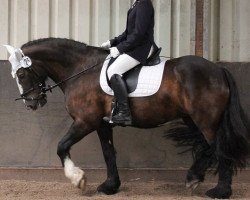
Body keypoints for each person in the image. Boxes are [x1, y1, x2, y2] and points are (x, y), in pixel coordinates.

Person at [101, 0, 159, 125]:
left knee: (113, 70)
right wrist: (113, 42)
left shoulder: (144, 4)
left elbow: (138, 34)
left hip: (142, 48)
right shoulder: (137, 3)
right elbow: (128, 33)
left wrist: (120, 48)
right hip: (136, 46)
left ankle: (124, 113)